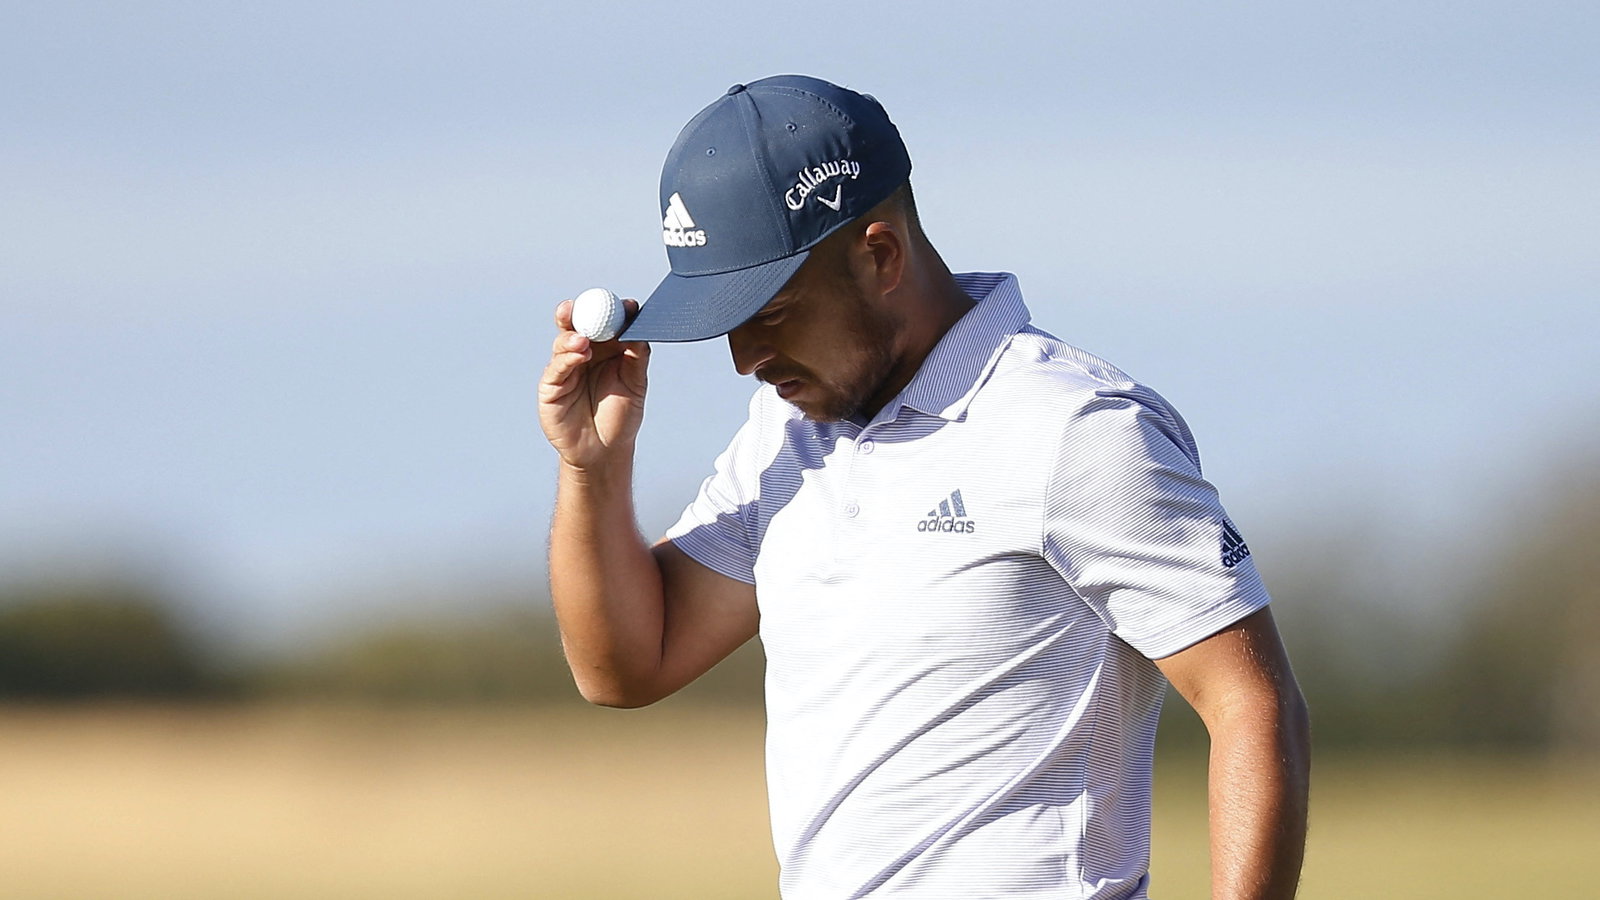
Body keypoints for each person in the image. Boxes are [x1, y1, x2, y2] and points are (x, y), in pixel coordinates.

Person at [539, 75, 1310, 900]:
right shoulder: (784, 436)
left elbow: (1252, 705)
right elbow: (625, 668)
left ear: (880, 256)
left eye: (771, 310)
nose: (744, 359)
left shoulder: (1078, 428)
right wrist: (593, 469)